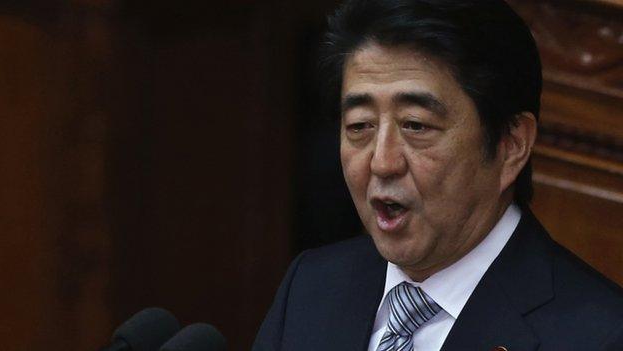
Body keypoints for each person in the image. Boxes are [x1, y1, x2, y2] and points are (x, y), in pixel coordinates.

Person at [252, 0, 623, 350]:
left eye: (415, 125)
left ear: (511, 145)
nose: (382, 162)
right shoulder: (311, 288)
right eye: (360, 125)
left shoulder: (600, 336)